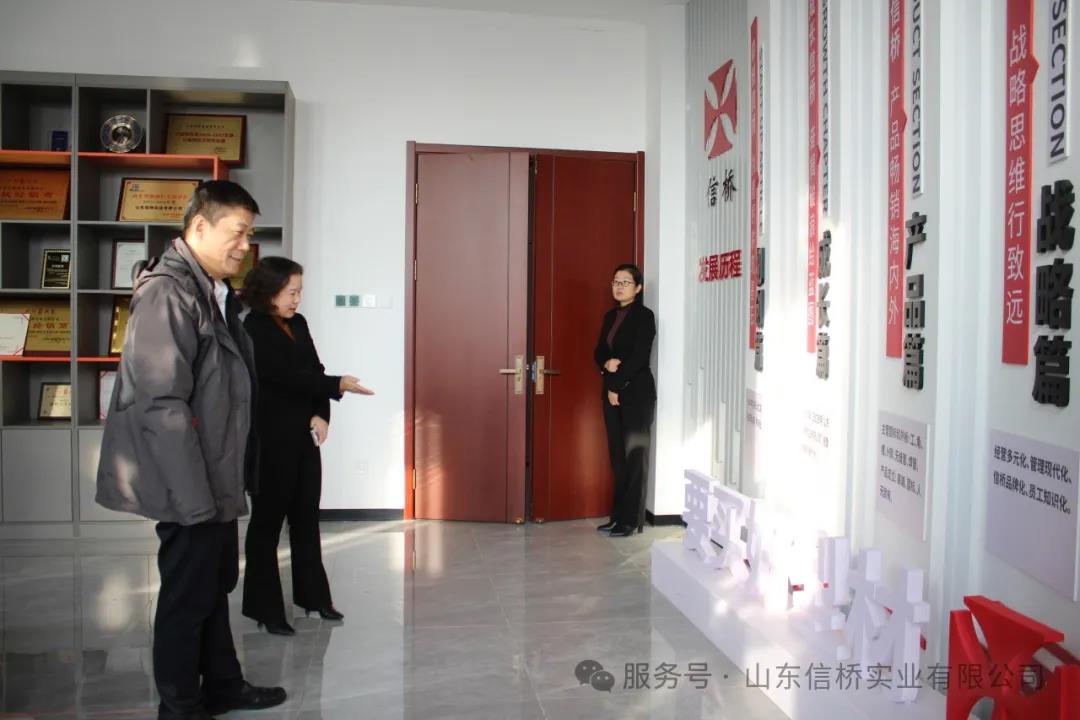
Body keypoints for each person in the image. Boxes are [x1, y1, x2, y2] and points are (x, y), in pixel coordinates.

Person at [96, 180, 286, 720]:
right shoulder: (169, 293)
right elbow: (162, 404)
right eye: (238, 233)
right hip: (189, 482)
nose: (246, 246)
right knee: (187, 595)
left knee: (211, 585)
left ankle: (223, 685)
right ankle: (180, 706)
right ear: (199, 227)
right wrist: (195, 498)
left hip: (212, 473)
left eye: (250, 235)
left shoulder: (210, 288)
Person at [239, 257, 373, 636]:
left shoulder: (298, 323)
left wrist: (322, 413)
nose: (297, 299)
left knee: (306, 519)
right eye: (291, 292)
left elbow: (313, 371)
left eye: (299, 292)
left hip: (303, 438)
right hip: (269, 441)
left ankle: (314, 598)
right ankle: (265, 609)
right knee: (266, 526)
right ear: (269, 291)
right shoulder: (252, 329)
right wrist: (337, 384)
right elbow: (285, 377)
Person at [593, 263, 656, 538]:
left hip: (637, 394)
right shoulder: (610, 316)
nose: (619, 287)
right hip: (612, 392)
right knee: (618, 458)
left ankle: (631, 520)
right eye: (615, 282)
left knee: (635, 457)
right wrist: (606, 363)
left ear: (638, 288)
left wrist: (615, 384)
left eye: (625, 282)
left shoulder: (644, 316)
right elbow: (599, 351)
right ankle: (617, 516)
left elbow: (640, 356)